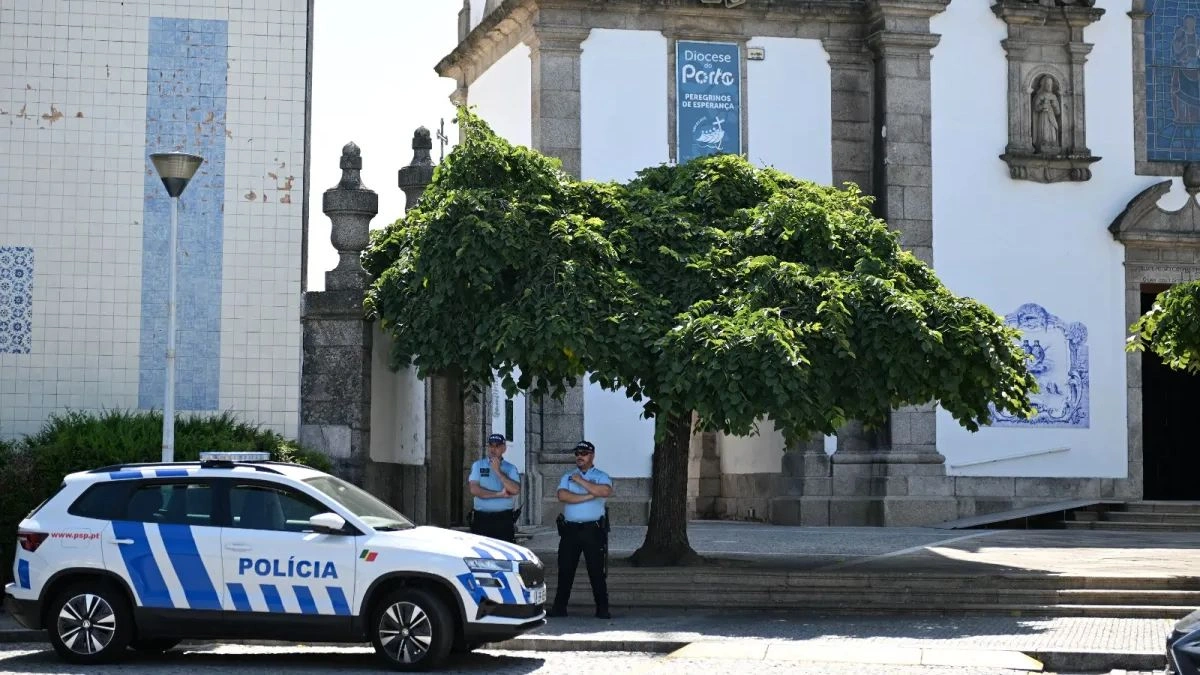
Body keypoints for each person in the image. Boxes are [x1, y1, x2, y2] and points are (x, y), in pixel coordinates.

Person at [547, 440, 613, 619]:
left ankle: (602, 608)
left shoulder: (600, 475)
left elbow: (605, 491)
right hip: (570, 531)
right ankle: (560, 607)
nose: (579, 457)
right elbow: (562, 495)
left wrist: (582, 482)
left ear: (592, 455)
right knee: (565, 570)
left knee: (596, 571)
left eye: (583, 454)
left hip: (592, 530)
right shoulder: (568, 475)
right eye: (577, 454)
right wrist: (590, 495)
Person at [467, 433, 521, 543]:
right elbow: (474, 489)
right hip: (482, 519)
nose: (493, 449)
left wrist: (498, 471)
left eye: (497, 446)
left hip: (503, 519)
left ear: (504, 448)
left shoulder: (510, 468)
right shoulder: (478, 465)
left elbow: (515, 489)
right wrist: (498, 494)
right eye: (491, 445)